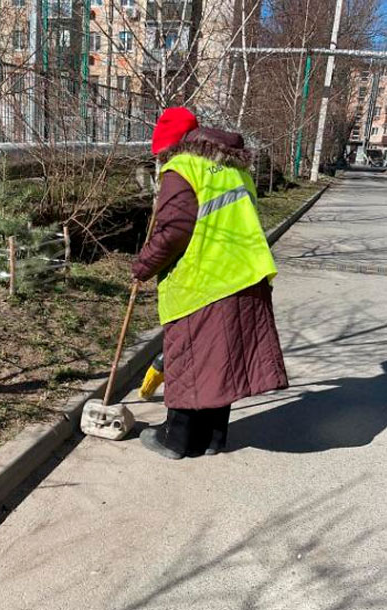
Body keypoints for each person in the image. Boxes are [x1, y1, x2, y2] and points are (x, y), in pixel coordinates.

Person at [132, 107, 288, 459]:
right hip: (247, 274)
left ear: (168, 145)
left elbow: (173, 231)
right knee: (222, 359)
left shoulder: (182, 167)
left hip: (205, 280)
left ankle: (177, 440)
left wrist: (142, 266)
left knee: (188, 356)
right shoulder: (232, 167)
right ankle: (213, 439)